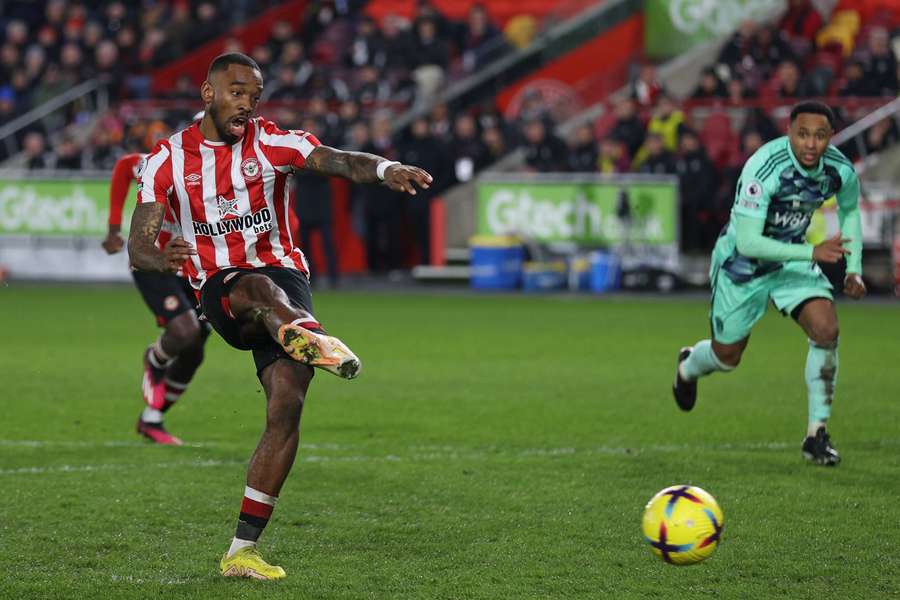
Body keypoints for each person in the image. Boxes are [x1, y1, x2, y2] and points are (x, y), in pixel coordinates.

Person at [127, 53, 432, 580]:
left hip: (287, 277)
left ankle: (241, 551)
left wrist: (386, 169)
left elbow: (339, 160)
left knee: (288, 403)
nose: (247, 103)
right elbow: (137, 246)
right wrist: (162, 256)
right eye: (237, 92)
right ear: (208, 93)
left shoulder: (272, 143)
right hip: (222, 288)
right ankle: (308, 335)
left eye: (255, 94)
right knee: (257, 289)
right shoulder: (166, 161)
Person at [672, 102, 865, 466]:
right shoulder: (764, 168)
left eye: (819, 135)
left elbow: (850, 209)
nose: (810, 143)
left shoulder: (838, 169)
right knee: (727, 357)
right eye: (802, 134)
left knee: (826, 329)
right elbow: (748, 242)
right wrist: (812, 254)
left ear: (830, 137)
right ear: (789, 133)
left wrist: (854, 269)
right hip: (742, 266)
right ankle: (689, 364)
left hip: (791, 259)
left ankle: (816, 434)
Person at [103, 144, 210, 446]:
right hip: (154, 263)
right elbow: (126, 165)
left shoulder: (235, 174)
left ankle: (152, 418)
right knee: (185, 330)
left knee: (195, 347)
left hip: (195, 270)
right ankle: (155, 357)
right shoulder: (167, 162)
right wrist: (113, 228)